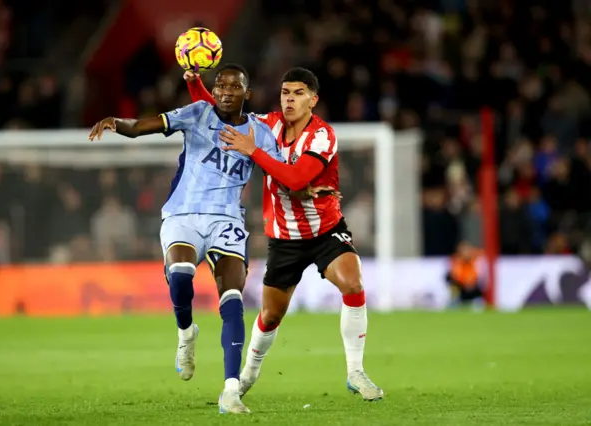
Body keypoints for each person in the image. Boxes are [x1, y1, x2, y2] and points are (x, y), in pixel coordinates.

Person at [89, 64, 286, 414]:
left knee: (232, 299)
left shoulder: (263, 133)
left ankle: (230, 391)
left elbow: (283, 176)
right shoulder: (198, 113)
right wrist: (116, 123)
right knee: (180, 276)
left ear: (248, 94)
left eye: (234, 86)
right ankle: (186, 334)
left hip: (227, 220)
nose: (225, 91)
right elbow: (142, 128)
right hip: (182, 215)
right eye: (220, 85)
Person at [185, 68, 384, 401]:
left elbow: (294, 179)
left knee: (353, 283)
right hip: (283, 239)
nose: (289, 99)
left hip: (325, 231)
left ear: (313, 100)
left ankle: (355, 371)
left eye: (298, 93)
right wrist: (194, 83)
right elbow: (217, 115)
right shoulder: (267, 125)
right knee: (271, 315)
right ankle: (248, 373)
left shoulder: (323, 136)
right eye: (285, 92)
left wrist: (254, 151)